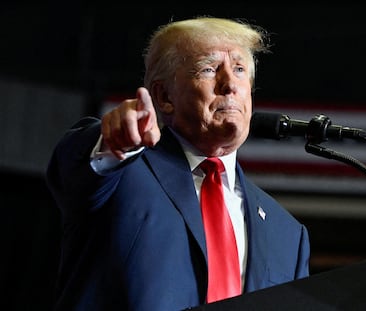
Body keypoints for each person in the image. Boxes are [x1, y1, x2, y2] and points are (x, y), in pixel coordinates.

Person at [46, 16, 310, 311]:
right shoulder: (122, 173)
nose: (229, 85)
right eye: (209, 69)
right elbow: (73, 167)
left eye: (239, 70)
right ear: (164, 96)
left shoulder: (288, 234)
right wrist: (113, 141)